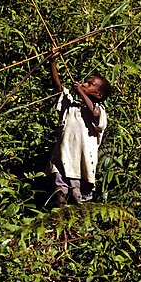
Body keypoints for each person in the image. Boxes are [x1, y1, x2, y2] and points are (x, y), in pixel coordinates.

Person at [46, 48, 112, 207]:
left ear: (98, 95)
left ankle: (81, 231)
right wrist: (52, 61)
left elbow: (95, 114)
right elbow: (58, 87)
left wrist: (81, 93)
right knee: (59, 196)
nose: (84, 84)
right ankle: (61, 228)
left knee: (80, 202)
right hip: (61, 160)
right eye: (85, 82)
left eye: (89, 84)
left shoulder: (99, 110)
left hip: (81, 165)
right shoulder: (71, 105)